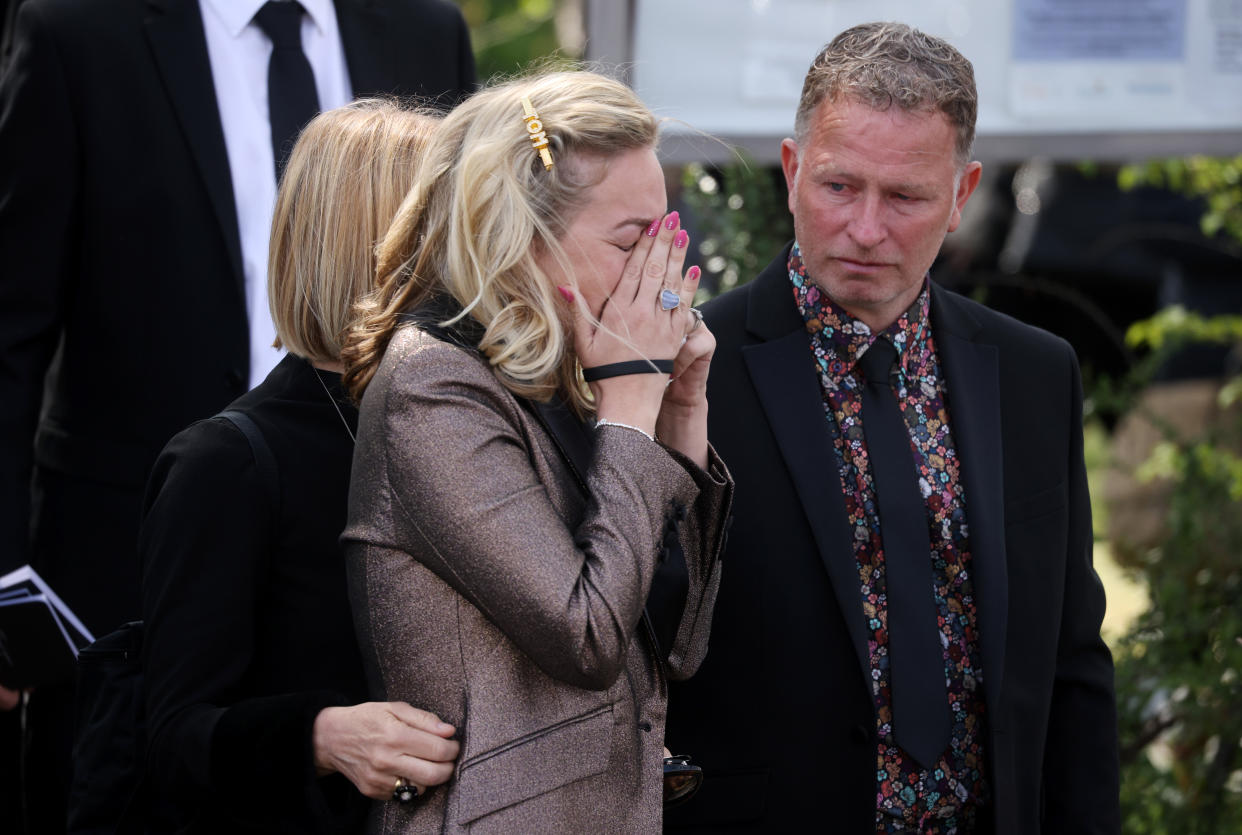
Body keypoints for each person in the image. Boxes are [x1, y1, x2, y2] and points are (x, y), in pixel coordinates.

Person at [0, 1, 475, 828]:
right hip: (138, 557)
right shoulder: (79, 28)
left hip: (370, 484)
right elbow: (10, 330)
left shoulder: (425, 27)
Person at [664, 22, 1120, 834]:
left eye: (905, 196)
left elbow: (1070, 662)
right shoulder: (691, 371)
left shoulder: (1033, 374)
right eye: (840, 187)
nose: (867, 229)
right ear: (794, 169)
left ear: (961, 194)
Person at [340, 71, 733, 832]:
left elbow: (678, 647)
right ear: (524, 232)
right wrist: (630, 408)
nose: (659, 274)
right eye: (631, 239)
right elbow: (586, 638)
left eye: (663, 235)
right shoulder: (436, 385)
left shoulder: (582, 372)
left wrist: (682, 411)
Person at [136, 100, 458, 834]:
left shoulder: (465, 419)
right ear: (394, 245)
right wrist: (320, 735)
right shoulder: (228, 462)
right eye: (465, 222)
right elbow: (173, 738)